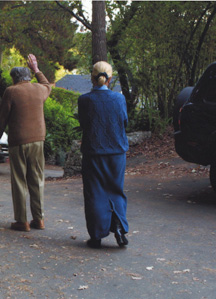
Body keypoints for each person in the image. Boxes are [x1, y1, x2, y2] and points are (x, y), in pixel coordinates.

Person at [0, 54, 52, 232]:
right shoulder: (39, 89)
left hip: (18, 142)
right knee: (37, 179)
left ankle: (22, 221)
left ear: (14, 78)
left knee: (19, 180)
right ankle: (38, 219)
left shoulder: (11, 91)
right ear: (29, 76)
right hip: (38, 141)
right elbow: (48, 85)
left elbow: (2, 121)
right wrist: (37, 69)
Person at [78, 61, 129, 248]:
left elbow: (84, 124)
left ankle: (97, 235)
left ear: (92, 78)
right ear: (110, 78)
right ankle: (119, 229)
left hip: (94, 152)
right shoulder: (120, 99)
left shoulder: (85, 100)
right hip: (117, 152)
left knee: (95, 193)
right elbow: (124, 122)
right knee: (116, 190)